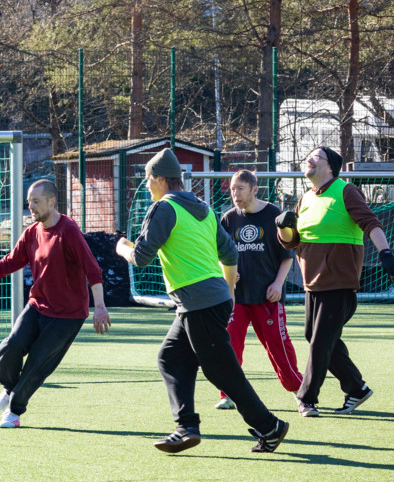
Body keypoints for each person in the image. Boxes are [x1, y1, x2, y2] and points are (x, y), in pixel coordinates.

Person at [116, 148, 290, 454]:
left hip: (200, 302)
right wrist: (230, 292)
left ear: (160, 179)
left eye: (147, 180)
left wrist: (121, 248)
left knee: (223, 372)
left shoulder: (163, 208)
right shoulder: (206, 209)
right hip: (208, 301)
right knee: (170, 357)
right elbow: (231, 254)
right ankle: (187, 427)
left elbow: (141, 257)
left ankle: (270, 427)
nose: (146, 186)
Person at [0, 179, 110, 428]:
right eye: (29, 202)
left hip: (67, 315)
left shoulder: (68, 230)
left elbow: (93, 269)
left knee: (37, 363)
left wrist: (99, 306)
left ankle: (14, 412)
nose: (31, 207)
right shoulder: (32, 232)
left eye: (36, 202)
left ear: (52, 201)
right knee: (9, 347)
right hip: (38, 306)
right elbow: (7, 264)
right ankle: (9, 390)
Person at [274, 146, 394, 415]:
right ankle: (356, 389)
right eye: (308, 157)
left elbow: (371, 223)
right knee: (316, 336)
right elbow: (292, 242)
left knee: (321, 340)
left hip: (339, 283)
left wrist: (387, 254)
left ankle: (306, 398)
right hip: (314, 285)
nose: (308, 160)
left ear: (330, 166)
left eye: (316, 157)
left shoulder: (346, 191)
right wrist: (283, 227)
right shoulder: (306, 198)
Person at [216, 169, 303, 412]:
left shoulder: (274, 215)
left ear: (254, 189)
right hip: (236, 298)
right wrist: (228, 272)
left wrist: (278, 284)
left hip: (267, 296)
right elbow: (219, 255)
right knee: (230, 344)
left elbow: (288, 256)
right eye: (233, 189)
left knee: (277, 345)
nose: (235, 194)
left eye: (240, 189)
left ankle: (300, 391)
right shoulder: (228, 218)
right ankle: (228, 394)